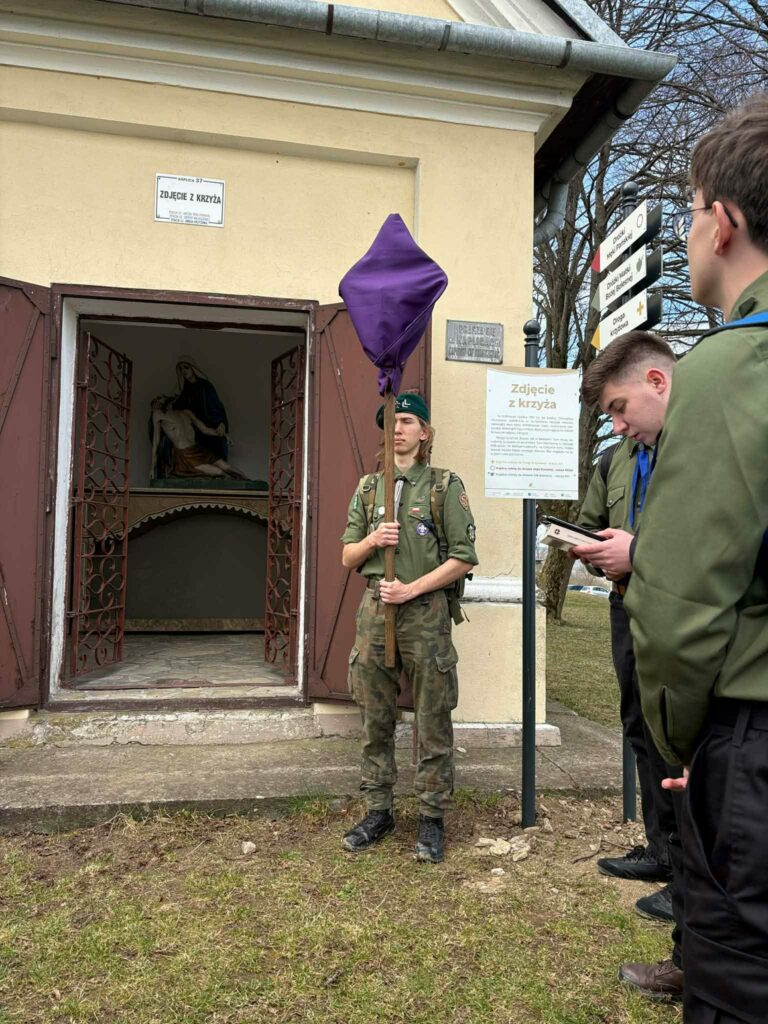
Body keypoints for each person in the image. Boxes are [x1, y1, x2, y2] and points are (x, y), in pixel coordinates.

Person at [625, 93, 768, 1023]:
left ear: (723, 222)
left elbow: (678, 614)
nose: (684, 231)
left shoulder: (727, 369)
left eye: (687, 209)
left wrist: (680, 746)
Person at [572, 332, 686, 1003]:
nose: (617, 425)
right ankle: (661, 849)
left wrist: (639, 550)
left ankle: (687, 877)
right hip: (624, 604)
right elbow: (596, 521)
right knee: (641, 728)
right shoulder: (621, 457)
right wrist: (587, 544)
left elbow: (700, 541)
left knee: (680, 740)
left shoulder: (694, 445)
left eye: (619, 408)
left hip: (671, 610)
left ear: (656, 380)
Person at [340, 393, 477, 864]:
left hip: (425, 614)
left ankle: (432, 818)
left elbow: (463, 558)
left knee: (433, 718)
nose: (396, 429)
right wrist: (375, 539)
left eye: (405, 421)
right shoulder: (367, 488)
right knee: (374, 719)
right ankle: (378, 810)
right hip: (375, 612)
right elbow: (348, 555)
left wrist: (413, 588)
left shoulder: (442, 486)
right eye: (389, 423)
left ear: (424, 433)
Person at [150, 395, 245, 479]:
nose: (161, 398)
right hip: (186, 454)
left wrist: (225, 436)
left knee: (226, 466)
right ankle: (233, 485)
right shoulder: (158, 415)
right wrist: (152, 469)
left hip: (198, 449)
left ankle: (249, 482)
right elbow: (156, 443)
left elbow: (205, 429)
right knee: (218, 472)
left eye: (161, 396)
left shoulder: (186, 413)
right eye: (158, 398)